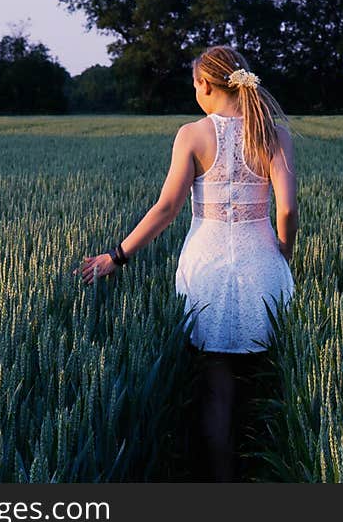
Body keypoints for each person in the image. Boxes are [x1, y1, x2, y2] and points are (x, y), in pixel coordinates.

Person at [73, 45, 299, 482]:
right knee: (262, 380)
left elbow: (167, 208)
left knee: (216, 387)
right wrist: (282, 256)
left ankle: (220, 485)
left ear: (206, 85)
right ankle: (267, 470)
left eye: (194, 83)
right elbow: (287, 210)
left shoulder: (193, 135)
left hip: (206, 271)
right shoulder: (275, 134)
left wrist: (116, 255)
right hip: (263, 267)